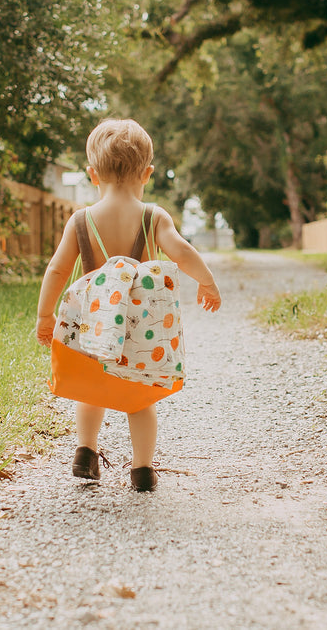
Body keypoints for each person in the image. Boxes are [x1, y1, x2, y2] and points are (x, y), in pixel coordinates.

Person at [36, 118, 221, 491]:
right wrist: (207, 281)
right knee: (139, 403)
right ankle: (142, 471)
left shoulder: (81, 220)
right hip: (140, 335)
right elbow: (181, 251)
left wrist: (45, 315)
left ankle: (85, 452)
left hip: (93, 331)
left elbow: (57, 270)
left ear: (92, 174)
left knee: (91, 392)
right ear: (148, 173)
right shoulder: (154, 217)